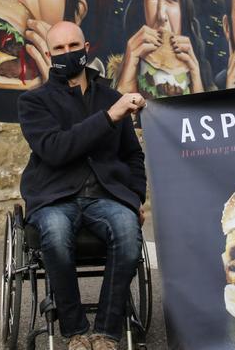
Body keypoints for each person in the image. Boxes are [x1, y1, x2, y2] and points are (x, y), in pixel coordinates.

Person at [17, 21, 146, 350]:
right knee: (56, 235)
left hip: (105, 195)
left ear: (86, 48)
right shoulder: (34, 102)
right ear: (48, 55)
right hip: (55, 195)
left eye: (73, 45)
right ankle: (75, 331)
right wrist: (108, 117)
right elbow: (55, 150)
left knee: (128, 231)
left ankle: (105, 331)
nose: (67, 53)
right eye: (58, 49)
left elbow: (133, 156)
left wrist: (135, 198)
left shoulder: (111, 96)